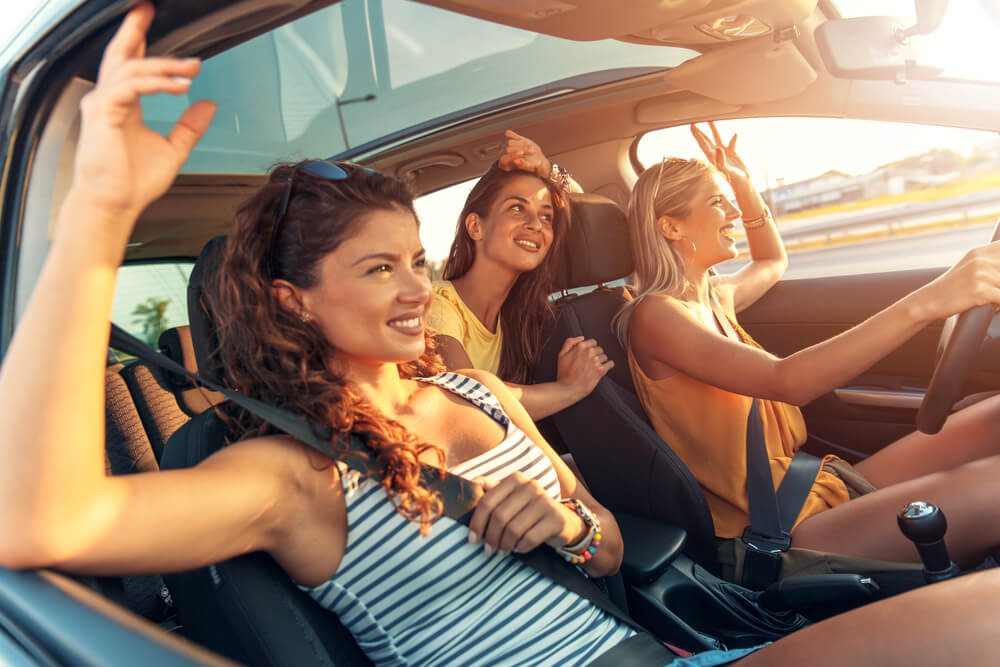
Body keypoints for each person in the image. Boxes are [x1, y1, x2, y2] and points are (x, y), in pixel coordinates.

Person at [4, 6, 1000, 666]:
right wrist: (96, 214)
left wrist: (568, 524)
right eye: (375, 267)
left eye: (414, 261)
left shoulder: (470, 395)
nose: (412, 289)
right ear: (294, 300)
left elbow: (609, 548)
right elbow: (35, 523)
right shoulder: (284, 478)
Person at [617, 121, 1000, 569]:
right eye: (718, 203)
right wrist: (928, 302)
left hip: (815, 483)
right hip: (776, 530)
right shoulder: (655, 316)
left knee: (994, 415)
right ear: (671, 227)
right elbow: (787, 381)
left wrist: (742, 186)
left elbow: (771, 260)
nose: (734, 214)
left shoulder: (715, 296)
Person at [431, 142, 614, 421]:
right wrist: (568, 389)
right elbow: (467, 396)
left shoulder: (522, 317)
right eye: (517, 208)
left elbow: (586, 212)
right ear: (475, 227)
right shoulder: (438, 305)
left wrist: (549, 170)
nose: (536, 225)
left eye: (546, 216)